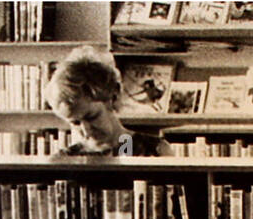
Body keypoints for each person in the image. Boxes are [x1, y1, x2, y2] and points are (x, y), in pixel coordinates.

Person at [43, 46, 173, 157]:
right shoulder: (65, 160)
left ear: (113, 97)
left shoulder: (154, 150)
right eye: (75, 123)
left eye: (92, 117)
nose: (86, 131)